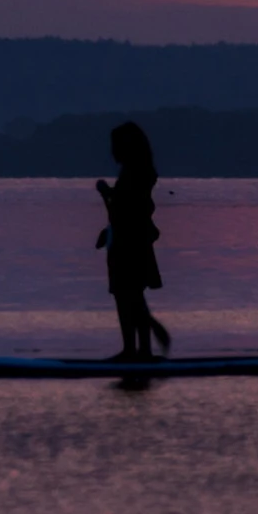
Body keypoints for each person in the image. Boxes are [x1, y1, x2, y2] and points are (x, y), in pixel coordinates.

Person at [97, 121, 170, 360]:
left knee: (128, 295)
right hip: (127, 241)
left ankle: (137, 351)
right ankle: (138, 349)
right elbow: (123, 208)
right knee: (128, 295)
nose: (112, 150)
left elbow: (128, 207)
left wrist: (107, 192)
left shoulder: (136, 173)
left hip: (130, 245)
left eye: (115, 145)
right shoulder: (138, 171)